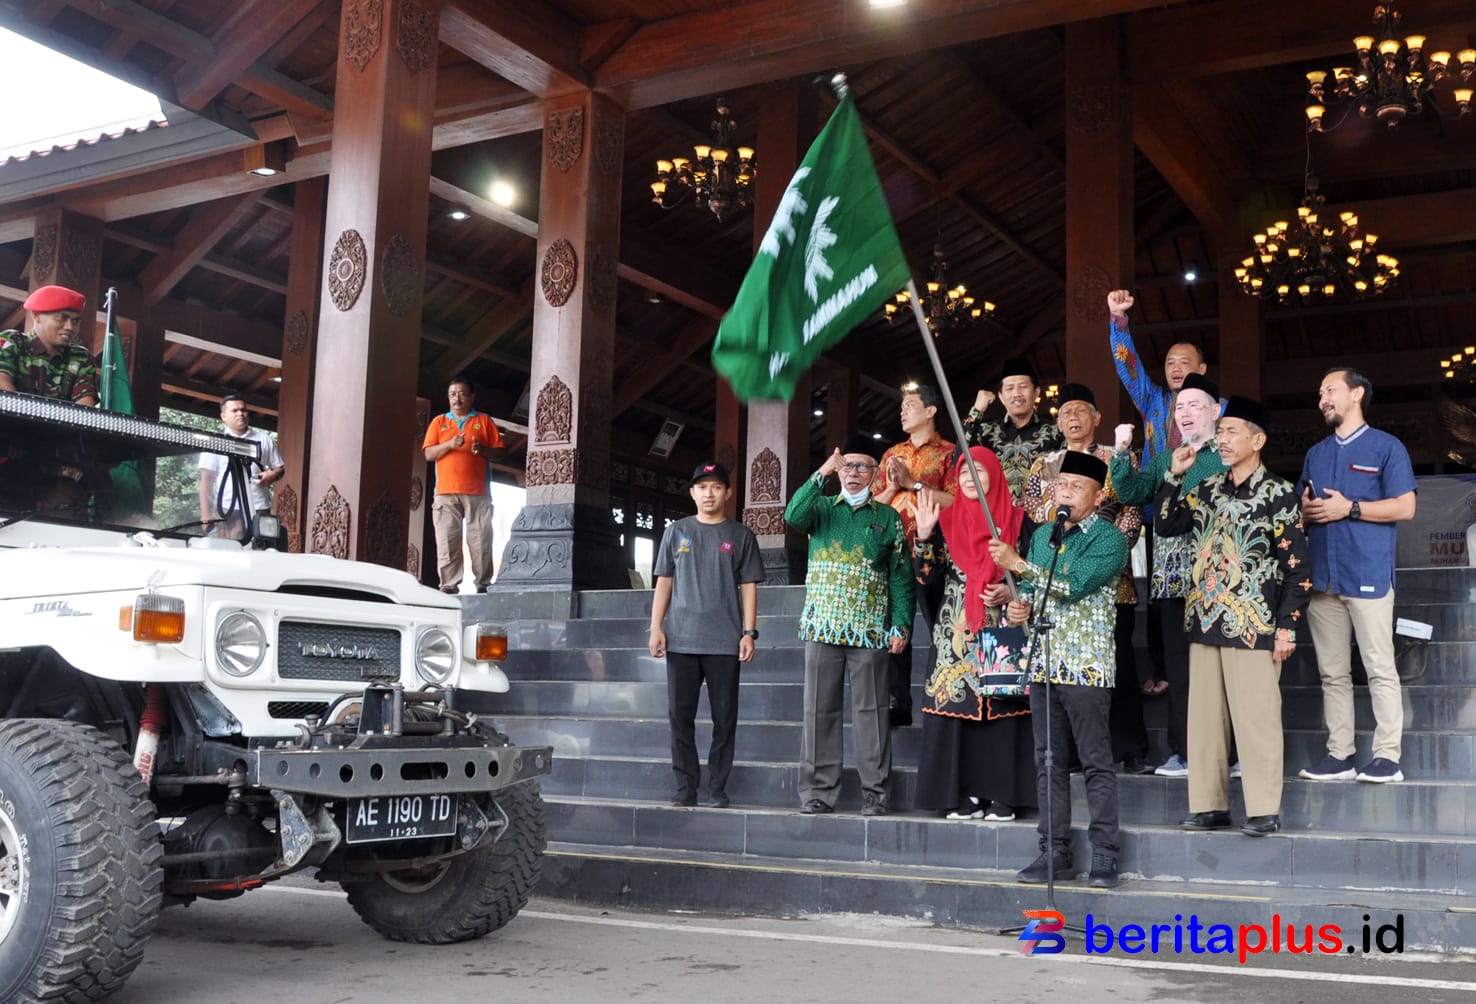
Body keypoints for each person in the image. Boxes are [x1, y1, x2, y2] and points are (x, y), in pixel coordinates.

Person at [1156, 397, 1311, 837]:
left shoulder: (1278, 493)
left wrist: (1287, 627)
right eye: (1220, 432)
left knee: (1257, 718)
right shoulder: (1207, 488)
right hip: (1205, 620)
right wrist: (1174, 475)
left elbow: (1298, 569)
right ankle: (1209, 806)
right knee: (1204, 723)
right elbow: (1166, 525)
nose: (1222, 440)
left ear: (1257, 441)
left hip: (1254, 624)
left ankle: (1263, 809)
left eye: (1231, 432)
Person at [990, 451, 1130, 888]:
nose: (1065, 492)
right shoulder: (1042, 536)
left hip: (1086, 665)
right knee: (1047, 761)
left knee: (1095, 761)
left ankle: (1105, 854)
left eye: (1076, 486)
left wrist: (1018, 565)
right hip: (1044, 662)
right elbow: (1034, 593)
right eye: (1061, 484)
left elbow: (1072, 585)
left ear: (1097, 496)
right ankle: (1054, 850)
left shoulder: (1109, 539)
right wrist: (1017, 608)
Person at [1021, 383, 1151, 777]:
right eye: (1065, 412)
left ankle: (1130, 748)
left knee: (1118, 666)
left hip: (1108, 578)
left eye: (1080, 410)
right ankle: (1074, 755)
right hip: (1054, 574)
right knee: (1060, 677)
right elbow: (1033, 511)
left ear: (1096, 417)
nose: (1073, 417)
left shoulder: (1117, 457)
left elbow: (1130, 509)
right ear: (1058, 422)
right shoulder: (1044, 464)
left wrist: (1108, 548)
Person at [784, 434, 914, 816]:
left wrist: (901, 626)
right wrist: (822, 472)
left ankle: (877, 794)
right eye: (847, 465)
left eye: (862, 466)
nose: (854, 472)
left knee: (872, 714)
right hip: (822, 627)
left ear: (875, 473)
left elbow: (901, 578)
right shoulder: (821, 508)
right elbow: (792, 516)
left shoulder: (888, 518)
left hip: (870, 631)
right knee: (818, 713)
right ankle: (817, 793)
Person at [1298, 367, 1417, 784]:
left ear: (1357, 394)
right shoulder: (1315, 454)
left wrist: (1349, 508)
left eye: (1330, 390)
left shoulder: (1387, 447)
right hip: (1324, 578)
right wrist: (1306, 512)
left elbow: (1405, 507)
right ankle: (1340, 755)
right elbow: (1301, 510)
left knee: (1379, 667)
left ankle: (1387, 757)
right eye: (1320, 393)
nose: (1323, 400)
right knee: (1332, 673)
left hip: (1367, 573)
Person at [1110, 372, 1226, 778]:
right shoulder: (1165, 459)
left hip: (1218, 581)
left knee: (1221, 669)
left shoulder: (1228, 456)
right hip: (1170, 581)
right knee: (1179, 669)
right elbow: (1129, 492)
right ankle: (1185, 752)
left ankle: (1228, 755)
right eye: (1180, 407)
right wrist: (1122, 451)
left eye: (1195, 405)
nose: (1185, 413)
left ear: (1215, 411)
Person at [912, 446, 1036, 822]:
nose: (970, 479)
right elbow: (927, 580)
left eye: (978, 472)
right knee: (956, 708)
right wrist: (923, 537)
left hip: (1004, 630)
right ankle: (962, 794)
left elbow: (1036, 575)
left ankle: (1004, 796)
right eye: (964, 473)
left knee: (1005, 708)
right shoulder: (946, 521)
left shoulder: (1019, 521)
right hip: (956, 632)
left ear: (994, 476)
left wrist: (1012, 593)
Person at [649, 461, 765, 809]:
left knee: (724, 719)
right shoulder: (676, 532)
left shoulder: (741, 536)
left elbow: (748, 586)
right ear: (692, 493)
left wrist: (748, 632)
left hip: (725, 642)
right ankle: (685, 786)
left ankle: (717, 788)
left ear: (728, 493)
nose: (708, 493)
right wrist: (656, 627)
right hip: (681, 639)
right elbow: (664, 581)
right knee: (679, 717)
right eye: (702, 487)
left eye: (716, 487)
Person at [872, 382, 958, 728]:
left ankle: (946, 696)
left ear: (931, 411)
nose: (903, 412)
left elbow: (956, 502)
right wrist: (894, 487)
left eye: (910, 405)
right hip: (894, 555)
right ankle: (898, 702)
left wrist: (914, 485)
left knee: (940, 623)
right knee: (896, 627)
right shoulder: (892, 454)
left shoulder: (949, 453)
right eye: (902, 407)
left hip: (934, 553)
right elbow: (872, 503)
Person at [422, 375, 504, 593]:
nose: (456, 399)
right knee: (447, 540)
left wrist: (482, 450)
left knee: (481, 540)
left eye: (461, 394)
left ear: (471, 396)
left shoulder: (484, 421)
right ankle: (449, 586)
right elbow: (429, 454)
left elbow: (499, 452)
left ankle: (483, 585)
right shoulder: (439, 422)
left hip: (479, 492)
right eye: (452, 394)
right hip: (445, 493)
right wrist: (449, 444)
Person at [1107, 289, 1209, 463]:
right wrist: (1117, 316)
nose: (1175, 368)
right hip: (1154, 480)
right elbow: (1128, 365)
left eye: (1184, 362)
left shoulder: (1218, 408)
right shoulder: (1152, 400)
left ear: (1202, 369)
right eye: (1170, 363)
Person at [962, 356, 1064, 504]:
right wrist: (977, 411)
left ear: (1036, 392)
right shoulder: (985, 431)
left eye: (1023, 386)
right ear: (1001, 397)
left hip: (1041, 513)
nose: (1016, 393)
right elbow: (959, 457)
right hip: (995, 513)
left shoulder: (1055, 431)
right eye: (1009, 388)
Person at [199, 394, 285, 536]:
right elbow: (206, 481)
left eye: (243, 410)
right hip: (226, 507)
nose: (240, 414)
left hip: (259, 505)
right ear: (223, 416)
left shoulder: (264, 440)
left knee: (261, 544)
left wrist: (272, 474)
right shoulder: (215, 442)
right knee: (228, 545)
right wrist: (205, 514)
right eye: (234, 411)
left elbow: (280, 469)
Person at [0, 285, 98, 406]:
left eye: (76, 321)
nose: (70, 327)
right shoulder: (12, 342)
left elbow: (85, 406)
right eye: (61, 317)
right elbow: (3, 388)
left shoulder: (80, 357)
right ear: (36, 316)